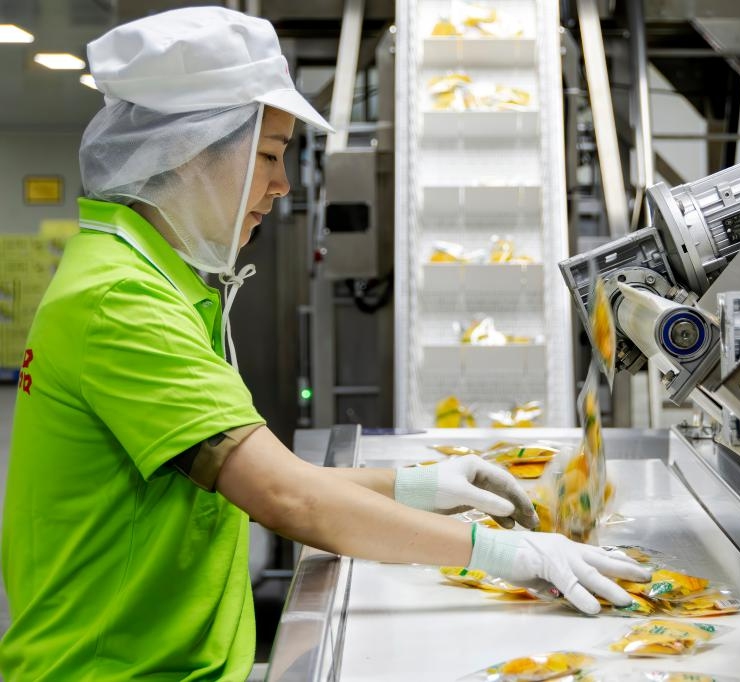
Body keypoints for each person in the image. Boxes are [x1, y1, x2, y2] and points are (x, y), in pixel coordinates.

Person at [0, 7, 649, 681]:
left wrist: (419, 486)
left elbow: (257, 479)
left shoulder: (142, 275)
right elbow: (287, 500)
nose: (282, 186)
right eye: (271, 155)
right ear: (190, 151)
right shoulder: (122, 302)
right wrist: (510, 555)